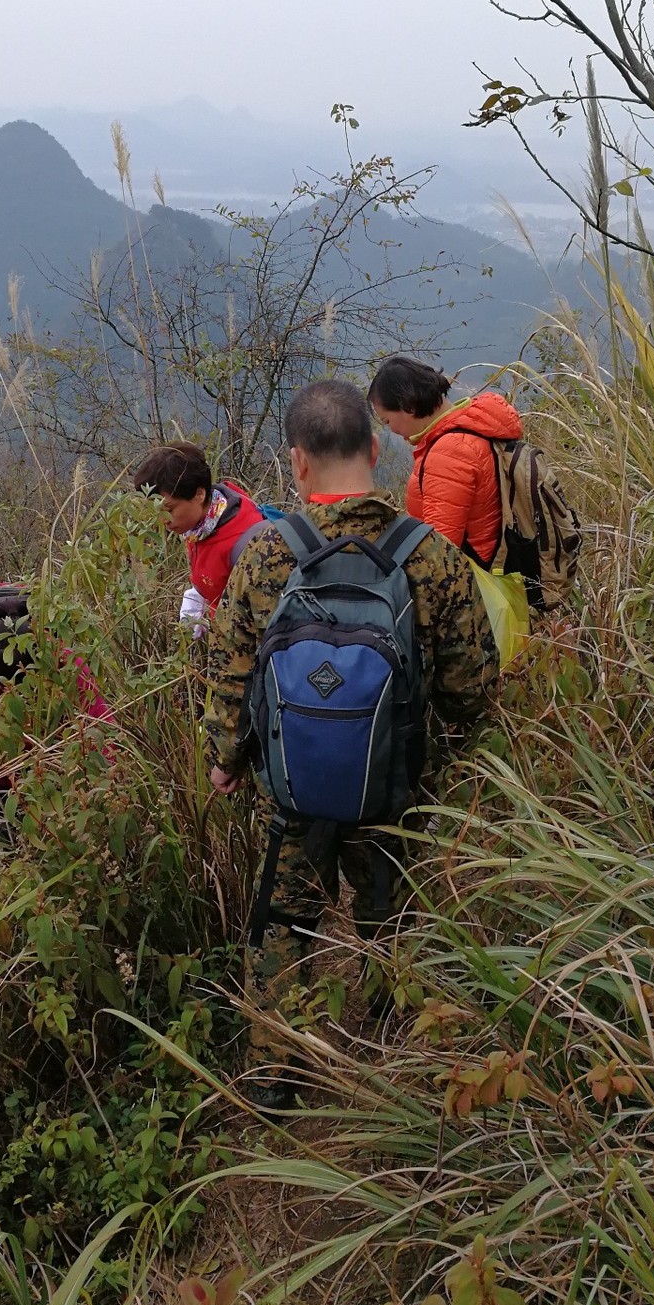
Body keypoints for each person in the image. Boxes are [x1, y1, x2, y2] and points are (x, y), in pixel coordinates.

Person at [206, 379, 499, 1112]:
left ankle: (276, 1072)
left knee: (280, 923)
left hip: (295, 789)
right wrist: (447, 751)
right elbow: (471, 686)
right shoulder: (427, 555)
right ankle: (397, 1044)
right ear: (377, 449)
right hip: (395, 788)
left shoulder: (269, 552)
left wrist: (226, 758)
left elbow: (233, 669)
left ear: (297, 463)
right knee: (391, 916)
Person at [0, 597, 112, 818]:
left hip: (56, 781)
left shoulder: (68, 669)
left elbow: (103, 737)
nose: (9, 698)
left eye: (19, 689)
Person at [367, 355, 524, 566]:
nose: (392, 430)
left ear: (408, 406)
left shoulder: (449, 453)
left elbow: (440, 552)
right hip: (496, 567)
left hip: (476, 583)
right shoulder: (474, 429)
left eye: (388, 421)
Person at [133, 443, 268, 626]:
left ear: (199, 494)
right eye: (156, 511)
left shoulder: (251, 545)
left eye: (169, 509)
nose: (163, 519)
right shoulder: (200, 526)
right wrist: (200, 593)